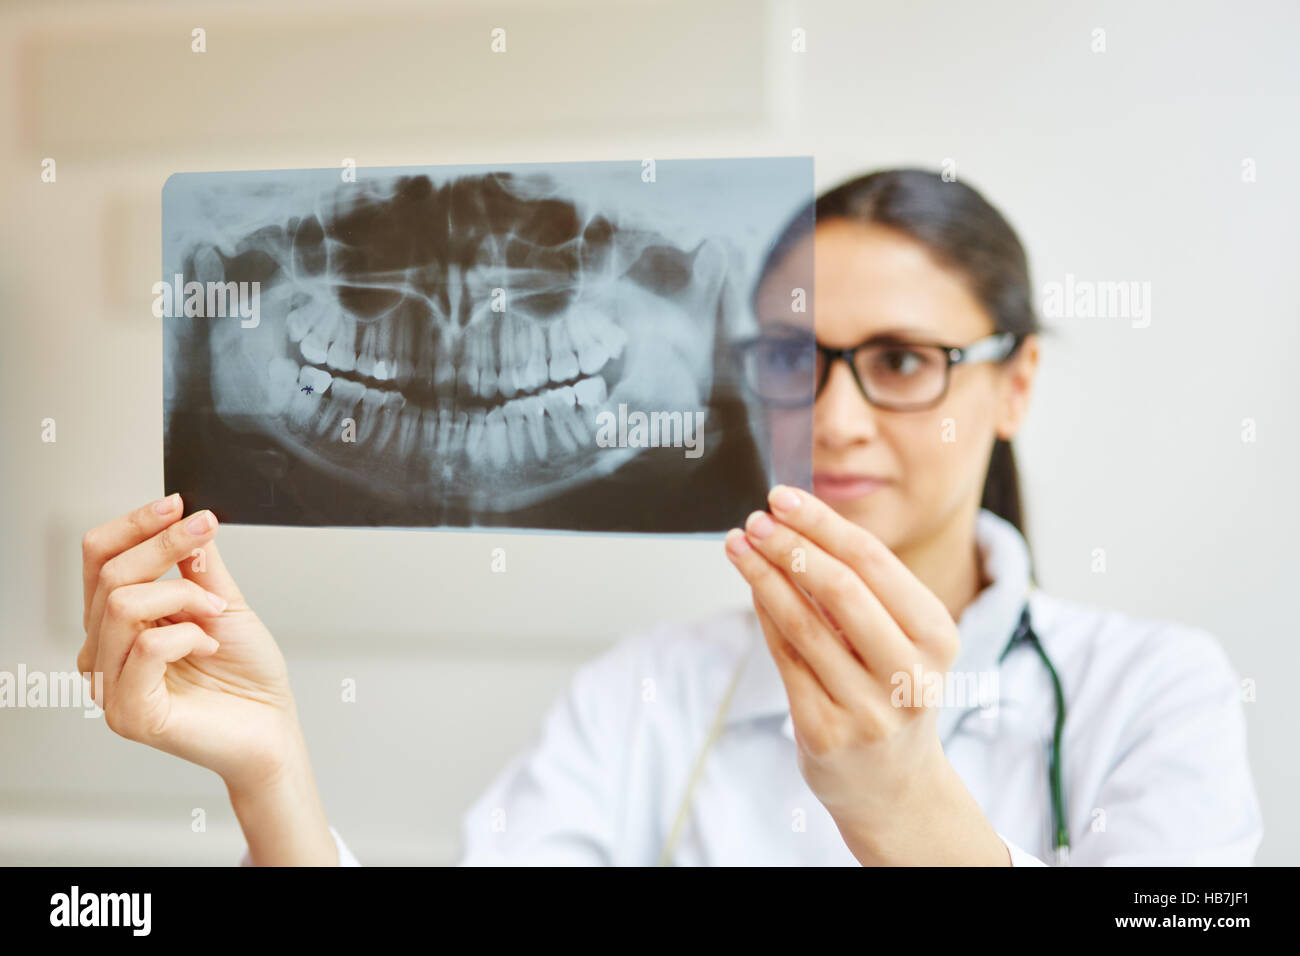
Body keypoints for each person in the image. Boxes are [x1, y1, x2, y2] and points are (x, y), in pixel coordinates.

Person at [77, 168, 1262, 865]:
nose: (837, 420)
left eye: (903, 359)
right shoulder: (638, 695)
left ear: (1016, 382)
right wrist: (274, 776)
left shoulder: (1157, 692)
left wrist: (903, 798)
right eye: (795, 357)